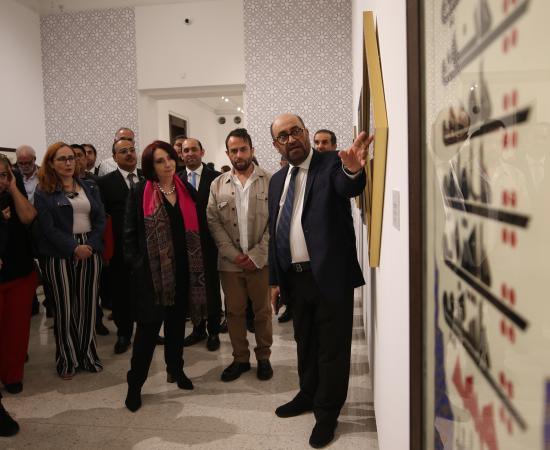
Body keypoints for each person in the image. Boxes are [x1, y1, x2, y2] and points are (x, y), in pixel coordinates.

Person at [268, 113, 372, 448]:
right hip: (295, 280)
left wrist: (353, 169)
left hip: (329, 277)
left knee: (332, 350)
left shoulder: (330, 164)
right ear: (276, 145)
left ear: (306, 132)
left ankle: (327, 414)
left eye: (296, 131)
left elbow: (348, 184)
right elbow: (275, 231)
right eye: (283, 136)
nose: (291, 139)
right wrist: (275, 280)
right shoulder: (277, 180)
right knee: (305, 344)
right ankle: (308, 394)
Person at [123, 140, 207, 412]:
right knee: (147, 333)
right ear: (151, 166)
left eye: (170, 158)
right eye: (160, 161)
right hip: (153, 277)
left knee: (176, 327)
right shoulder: (140, 192)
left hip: (183, 272)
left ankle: (176, 369)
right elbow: (129, 235)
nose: (168, 164)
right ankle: (135, 384)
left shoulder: (186, 190)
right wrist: (139, 266)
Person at [34, 142, 105, 380]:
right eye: (62, 159)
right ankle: (67, 360)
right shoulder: (43, 191)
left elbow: (100, 219)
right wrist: (74, 247)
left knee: (88, 305)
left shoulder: (89, 186)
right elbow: (48, 228)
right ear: (51, 163)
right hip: (60, 251)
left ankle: (88, 356)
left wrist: (90, 245)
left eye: (71, 158)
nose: (68, 163)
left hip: (90, 248)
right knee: (65, 308)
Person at [207, 128, 273, 382]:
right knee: (234, 312)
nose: (239, 155)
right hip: (230, 263)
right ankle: (240, 359)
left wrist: (256, 254)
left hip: (261, 262)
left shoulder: (270, 180)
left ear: (252, 150)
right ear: (228, 154)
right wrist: (234, 255)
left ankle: (264, 357)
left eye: (243, 149)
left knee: (262, 312)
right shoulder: (217, 185)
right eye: (233, 150)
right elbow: (213, 222)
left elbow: (275, 223)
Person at [97, 138, 141, 354]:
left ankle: (148, 330)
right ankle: (124, 333)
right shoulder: (104, 183)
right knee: (121, 293)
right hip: (119, 248)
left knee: (145, 292)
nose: (129, 154)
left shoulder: (147, 178)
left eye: (132, 150)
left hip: (146, 247)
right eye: (123, 151)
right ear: (114, 157)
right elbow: (100, 218)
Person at [180, 137, 223, 352]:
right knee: (192, 287)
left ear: (202, 152)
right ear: (181, 155)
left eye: (193, 149)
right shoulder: (177, 180)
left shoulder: (216, 178)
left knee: (212, 288)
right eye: (186, 150)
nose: (190, 153)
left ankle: (214, 330)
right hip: (187, 244)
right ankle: (198, 329)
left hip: (211, 242)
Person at [0, 155, 38, 394]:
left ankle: (12, 375)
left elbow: (28, 216)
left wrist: (13, 187)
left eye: (3, 175)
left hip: (19, 273)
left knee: (16, 330)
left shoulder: (12, 195)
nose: (0, 180)